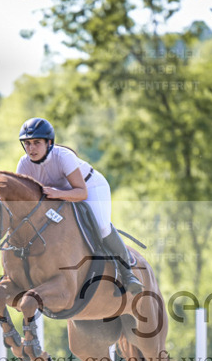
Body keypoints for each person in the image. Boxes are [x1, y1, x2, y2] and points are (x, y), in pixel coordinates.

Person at [15, 117, 143, 295]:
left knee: (102, 226)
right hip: (58, 195)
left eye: (37, 143)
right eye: (27, 143)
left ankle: (127, 272)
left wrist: (57, 194)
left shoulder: (63, 157)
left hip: (90, 187)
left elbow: (82, 193)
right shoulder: (24, 164)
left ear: (49, 143)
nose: (31, 148)